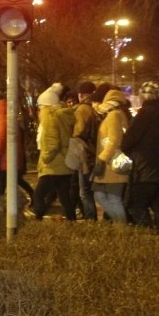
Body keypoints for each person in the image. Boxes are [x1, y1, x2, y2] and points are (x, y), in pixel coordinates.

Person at [27, 84, 76, 220]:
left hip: (53, 165)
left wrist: (45, 159)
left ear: (46, 105)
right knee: (64, 196)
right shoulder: (63, 115)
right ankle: (71, 220)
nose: (39, 109)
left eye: (40, 106)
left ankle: (38, 219)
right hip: (64, 162)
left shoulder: (49, 118)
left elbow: (52, 142)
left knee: (38, 195)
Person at [121, 81, 159, 228]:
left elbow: (129, 140)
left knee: (135, 205)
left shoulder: (145, 114)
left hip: (145, 168)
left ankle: (147, 235)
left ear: (143, 97)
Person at [0, 99, 34, 212]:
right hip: (10, 158)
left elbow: (0, 141)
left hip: (3, 159)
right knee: (14, 179)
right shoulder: (6, 119)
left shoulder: (2, 121)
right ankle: (32, 196)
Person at [90, 88, 130, 224]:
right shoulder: (116, 114)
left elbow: (114, 140)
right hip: (109, 165)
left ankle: (122, 227)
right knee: (100, 195)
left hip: (111, 165)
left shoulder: (114, 116)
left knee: (112, 198)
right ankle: (120, 224)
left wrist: (102, 159)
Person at [71, 81, 98, 220]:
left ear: (81, 94)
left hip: (84, 154)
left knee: (84, 191)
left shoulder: (82, 110)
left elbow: (78, 131)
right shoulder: (96, 108)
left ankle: (90, 218)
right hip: (94, 152)